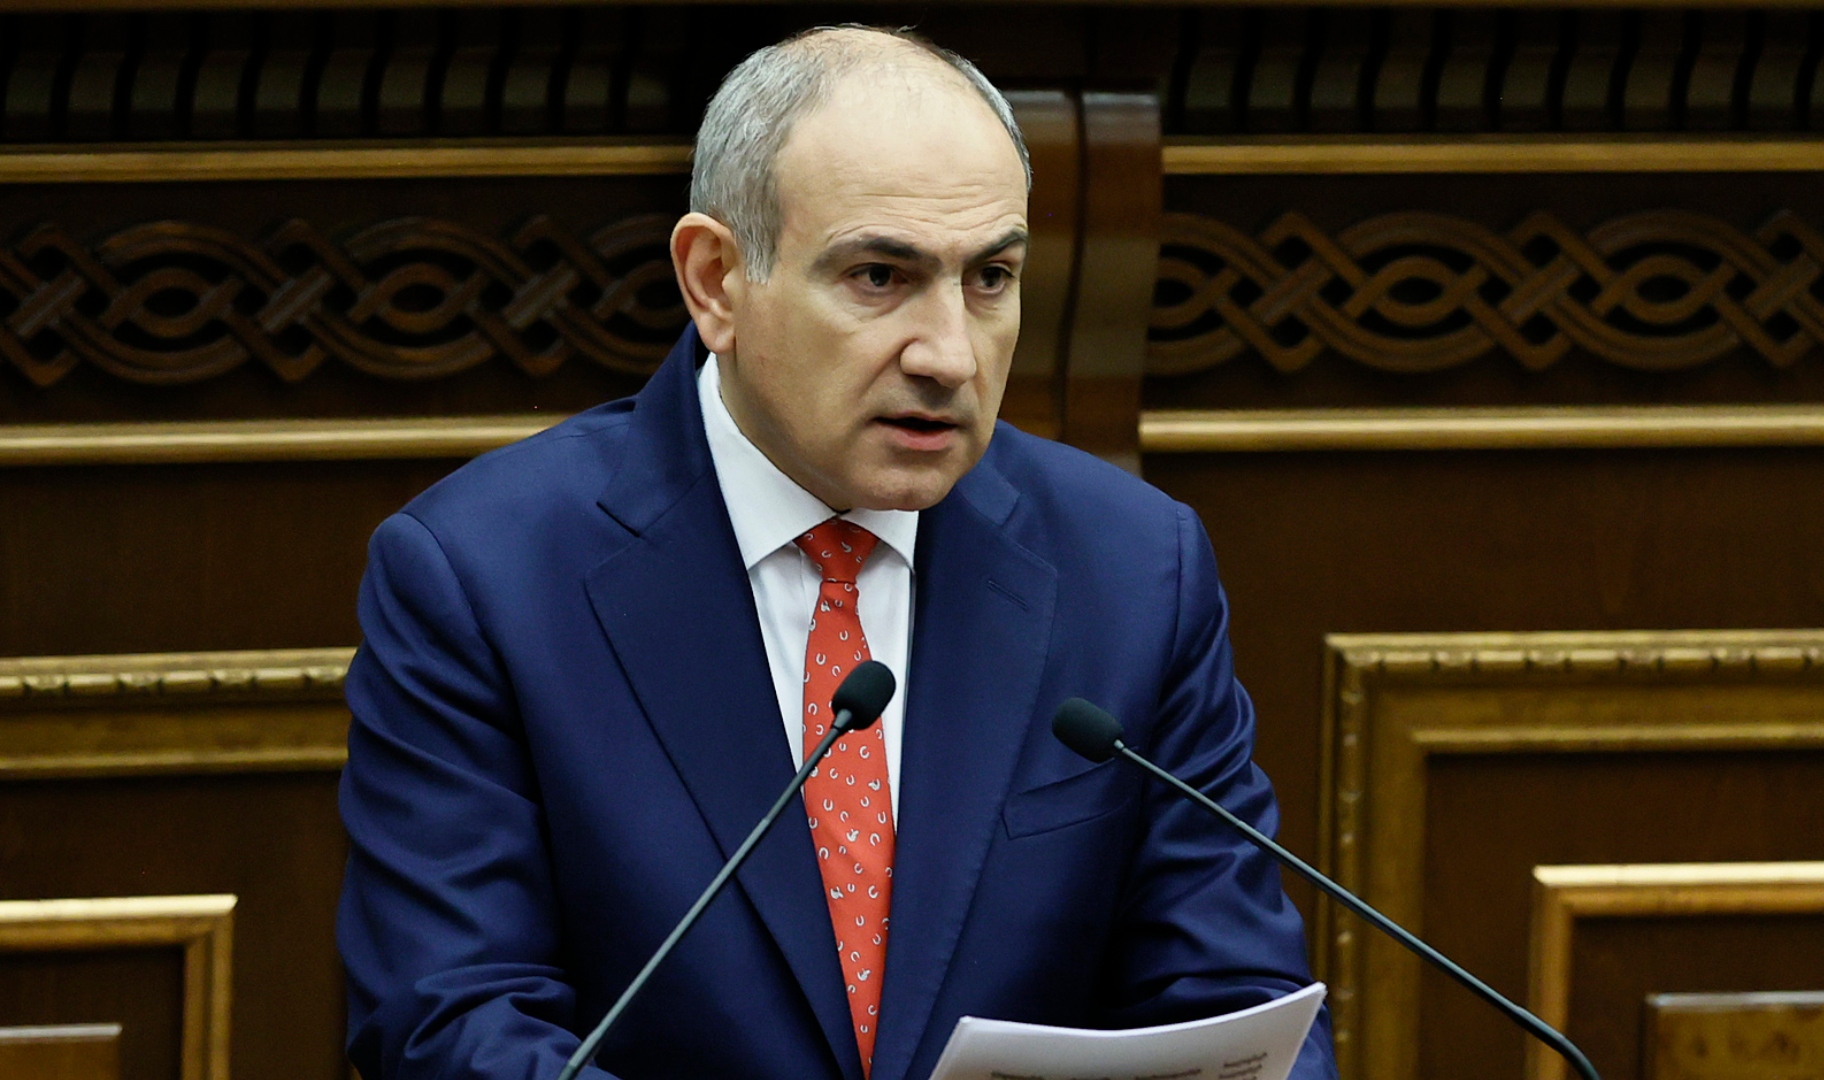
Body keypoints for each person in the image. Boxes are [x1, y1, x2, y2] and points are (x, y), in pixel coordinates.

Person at [336, 25, 1337, 1080]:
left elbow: (1240, 1001)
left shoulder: (1132, 568)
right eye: (879, 275)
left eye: (990, 277)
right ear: (717, 281)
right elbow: (452, 1023)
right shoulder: (484, 577)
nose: (949, 355)